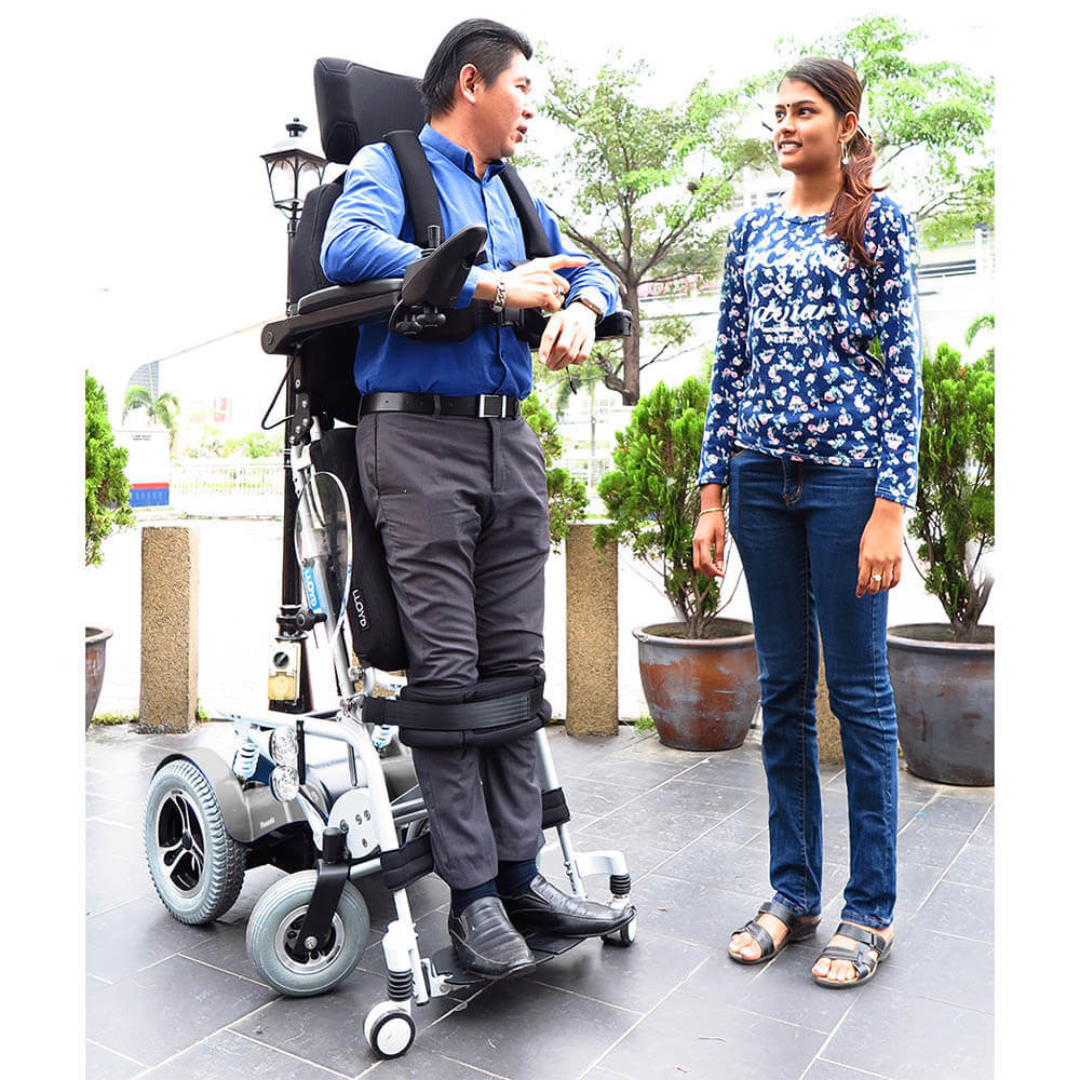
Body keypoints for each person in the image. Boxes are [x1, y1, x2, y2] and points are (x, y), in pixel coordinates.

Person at [321, 19, 633, 979]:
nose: (533, 108)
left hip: (510, 441)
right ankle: (471, 899)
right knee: (452, 676)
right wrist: (501, 289)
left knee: (513, 669)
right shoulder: (392, 165)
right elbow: (347, 246)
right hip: (417, 439)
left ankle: (523, 875)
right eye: (526, 89)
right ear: (473, 83)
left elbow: (595, 277)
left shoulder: (516, 192)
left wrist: (582, 306)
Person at [693, 56, 921, 988]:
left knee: (858, 694)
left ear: (846, 120)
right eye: (778, 112)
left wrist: (888, 509)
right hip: (758, 482)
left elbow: (904, 373)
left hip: (843, 484)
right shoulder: (750, 230)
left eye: (804, 111)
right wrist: (711, 494)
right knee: (783, 692)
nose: (785, 125)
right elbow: (729, 366)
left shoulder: (878, 224)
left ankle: (871, 910)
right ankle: (794, 893)